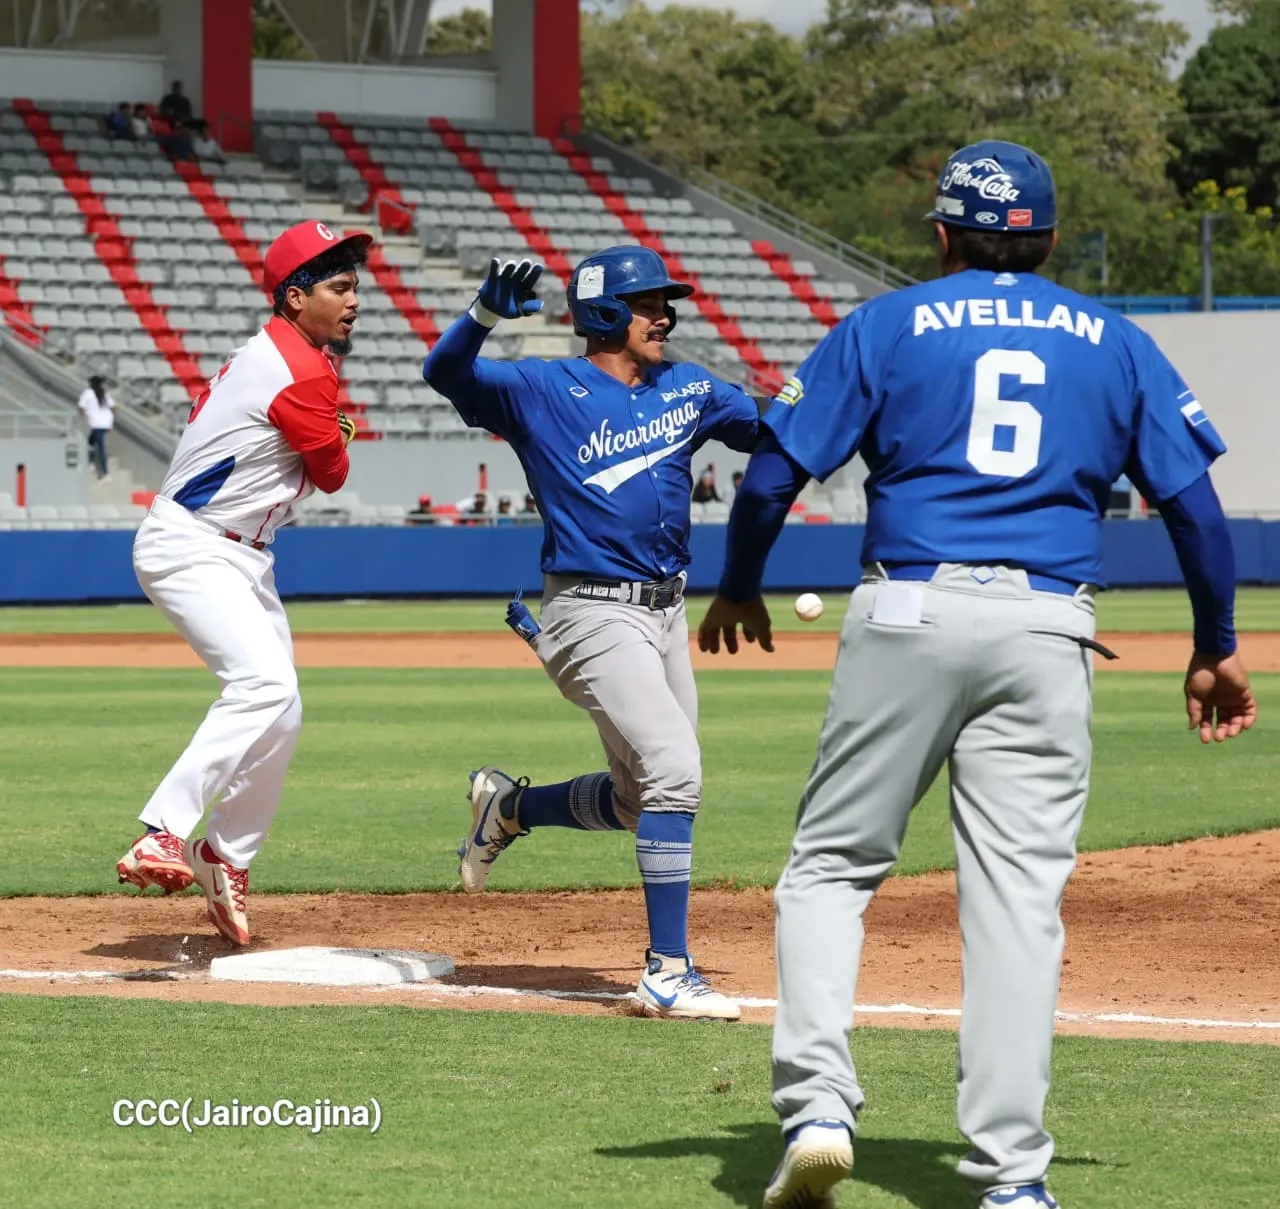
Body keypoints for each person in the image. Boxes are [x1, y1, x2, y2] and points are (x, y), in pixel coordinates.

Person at [697, 140, 1258, 1209]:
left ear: (944, 236)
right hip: (1048, 624)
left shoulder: (887, 322)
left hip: (909, 605)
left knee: (828, 870)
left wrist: (738, 583)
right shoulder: (1112, 338)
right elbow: (1190, 505)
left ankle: (817, 1107)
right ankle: (1010, 1179)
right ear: (1044, 238)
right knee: (1015, 908)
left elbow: (772, 474)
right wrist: (1211, 643)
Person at [423, 246, 767, 1020]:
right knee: (678, 768)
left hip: (667, 610)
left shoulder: (688, 386)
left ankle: (508, 809)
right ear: (606, 312)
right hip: (590, 609)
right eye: (648, 303)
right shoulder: (542, 386)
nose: (665, 315)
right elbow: (445, 375)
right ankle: (666, 970)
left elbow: (768, 431)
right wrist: (480, 318)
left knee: (644, 801)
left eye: (665, 302)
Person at [116, 220, 370, 947]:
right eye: (338, 286)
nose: (354, 299)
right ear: (295, 296)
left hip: (242, 552)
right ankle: (165, 829)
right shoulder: (299, 369)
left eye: (355, 286)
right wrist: (336, 434)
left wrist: (331, 429)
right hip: (193, 544)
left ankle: (224, 853)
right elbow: (331, 473)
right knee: (260, 684)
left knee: (282, 708)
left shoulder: (280, 355)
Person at [78, 375, 115, 479]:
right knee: (91, 441)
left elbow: (81, 407)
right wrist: (110, 421)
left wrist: (83, 416)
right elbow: (113, 407)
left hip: (96, 423)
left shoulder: (88, 393)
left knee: (101, 446)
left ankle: (105, 472)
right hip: (105, 422)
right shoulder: (104, 394)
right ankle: (90, 462)